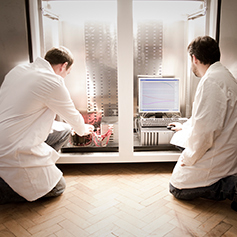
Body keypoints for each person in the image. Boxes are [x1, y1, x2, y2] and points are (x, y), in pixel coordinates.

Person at [0, 46, 94, 204]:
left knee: (65, 131)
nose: (65, 77)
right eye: (67, 73)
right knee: (58, 188)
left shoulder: (19, 69)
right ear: (63, 66)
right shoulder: (53, 82)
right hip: (12, 148)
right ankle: (4, 186)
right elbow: (72, 115)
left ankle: (42, 167)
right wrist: (84, 129)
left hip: (9, 134)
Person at [168, 36, 237, 211]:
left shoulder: (211, 82)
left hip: (219, 152)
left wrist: (189, 157)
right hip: (225, 146)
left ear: (194, 58)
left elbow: (206, 131)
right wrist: (185, 126)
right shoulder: (223, 75)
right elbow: (206, 117)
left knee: (178, 188)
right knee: (181, 140)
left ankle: (231, 187)